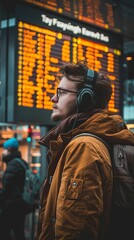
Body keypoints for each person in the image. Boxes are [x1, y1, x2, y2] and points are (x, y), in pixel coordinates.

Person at [35, 61, 134, 240]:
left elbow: (75, 230)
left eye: (62, 92)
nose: (53, 98)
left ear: (85, 99)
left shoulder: (83, 147)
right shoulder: (96, 140)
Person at [0, 137, 29, 240]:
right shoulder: (22, 162)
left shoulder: (13, 164)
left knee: (3, 232)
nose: (3, 152)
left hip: (12, 205)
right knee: (19, 232)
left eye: (5, 149)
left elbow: (8, 187)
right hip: (21, 203)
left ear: (10, 149)